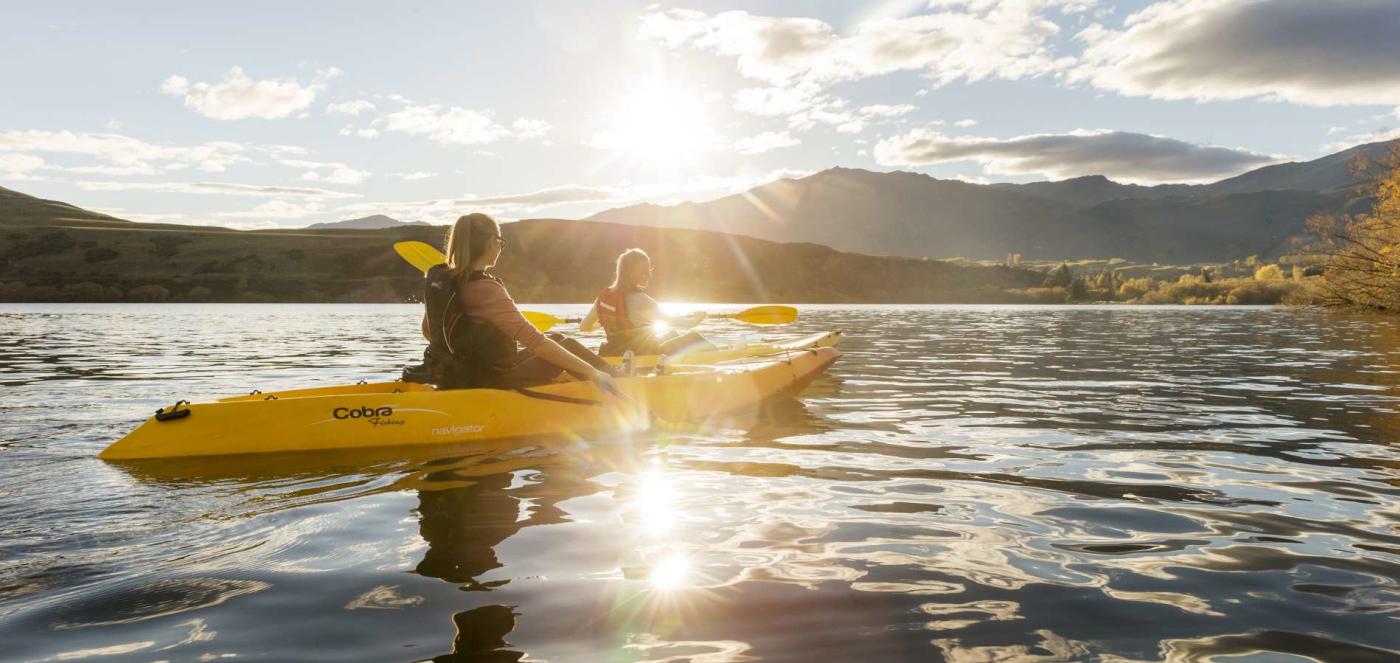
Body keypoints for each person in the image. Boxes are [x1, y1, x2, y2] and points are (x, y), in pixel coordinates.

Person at [420, 213, 621, 394]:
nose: (500, 247)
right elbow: (537, 343)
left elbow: (429, 331)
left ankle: (611, 375)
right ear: (491, 242)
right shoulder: (486, 288)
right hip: (489, 381)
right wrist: (592, 372)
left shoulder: (443, 282)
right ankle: (620, 381)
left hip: (453, 375)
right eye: (500, 240)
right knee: (567, 345)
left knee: (558, 338)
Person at [580, 248, 717, 357]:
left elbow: (584, 327)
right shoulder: (642, 300)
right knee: (694, 337)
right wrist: (697, 319)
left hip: (615, 352)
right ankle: (722, 366)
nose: (648, 274)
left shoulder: (602, 299)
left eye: (649, 270)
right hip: (643, 354)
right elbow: (677, 322)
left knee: (672, 335)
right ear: (629, 272)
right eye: (643, 271)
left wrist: (605, 322)